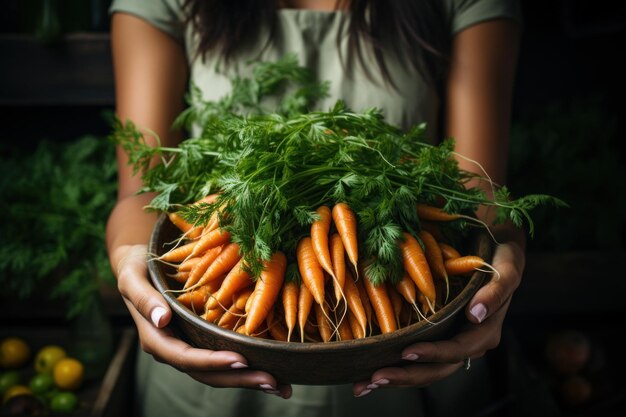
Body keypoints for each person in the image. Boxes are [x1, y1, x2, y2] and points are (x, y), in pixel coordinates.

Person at [106, 0, 527, 416]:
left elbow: (478, 194)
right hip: (209, 353)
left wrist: (501, 247)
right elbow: (144, 193)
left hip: (412, 350)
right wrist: (130, 259)